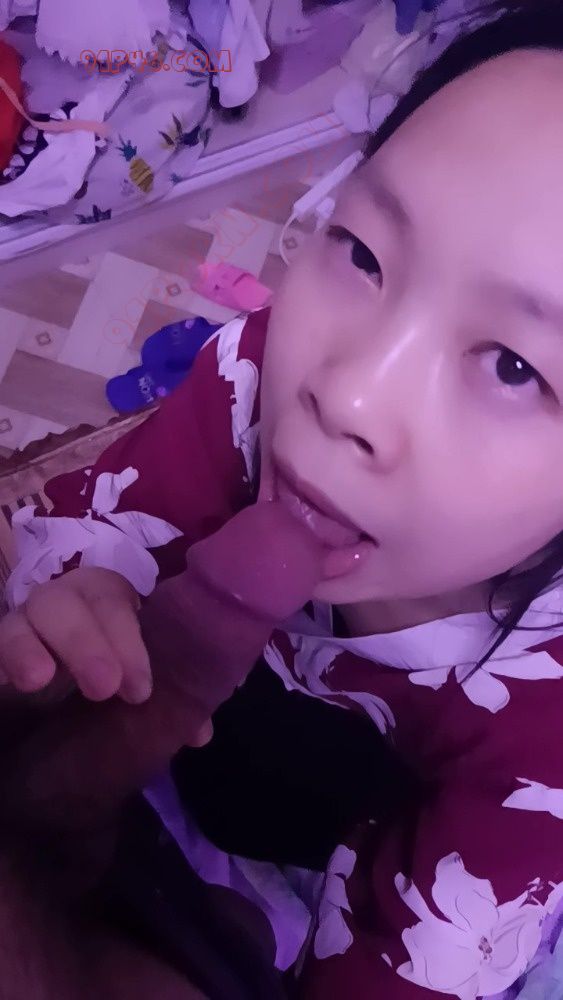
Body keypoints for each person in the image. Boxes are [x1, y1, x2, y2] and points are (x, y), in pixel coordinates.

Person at [2, 1, 563, 997]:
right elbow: (104, 519)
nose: (347, 394)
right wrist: (83, 595)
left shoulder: (543, 740)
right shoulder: (251, 376)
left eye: (514, 367)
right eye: (363, 254)